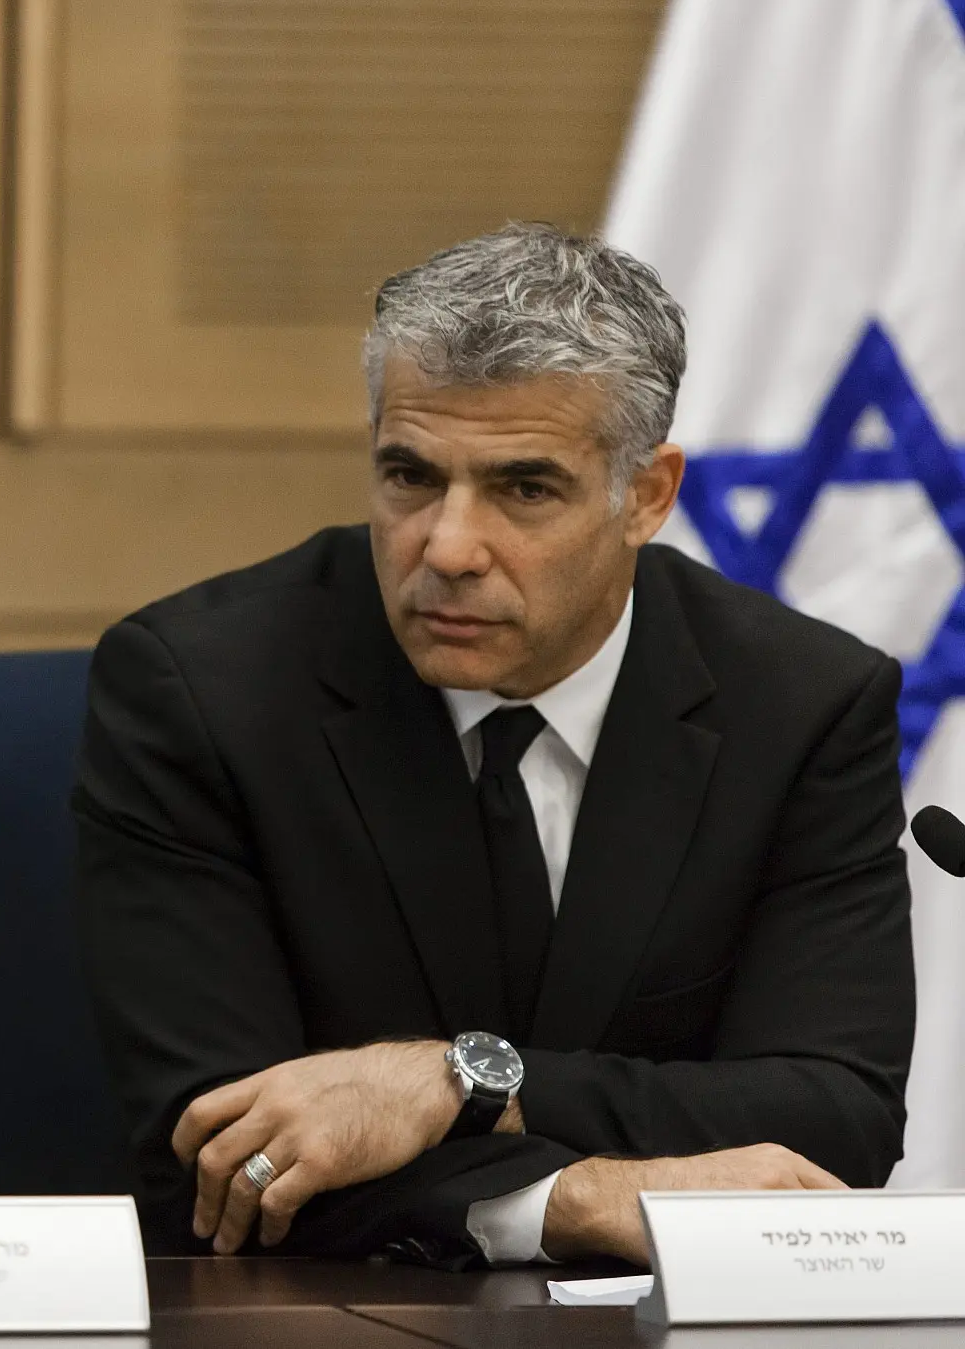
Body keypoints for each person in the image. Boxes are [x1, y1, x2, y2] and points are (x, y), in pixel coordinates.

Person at [74, 224, 914, 1269]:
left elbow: (832, 1117)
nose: (447, 548)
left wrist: (456, 1083)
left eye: (523, 489)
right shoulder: (201, 693)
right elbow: (215, 1154)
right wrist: (575, 1199)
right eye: (408, 477)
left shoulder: (797, 706)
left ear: (644, 496)